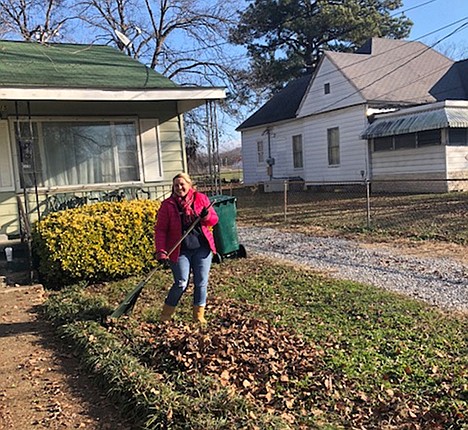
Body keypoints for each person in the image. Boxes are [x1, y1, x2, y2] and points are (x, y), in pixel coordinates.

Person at [155, 172, 219, 323]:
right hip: (179, 250)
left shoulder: (201, 199)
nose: (179, 188)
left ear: (189, 185)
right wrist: (160, 251)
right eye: (176, 185)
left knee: (201, 282)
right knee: (181, 282)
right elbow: (160, 229)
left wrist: (205, 216)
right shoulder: (168, 205)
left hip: (201, 249)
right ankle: (166, 315)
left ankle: (198, 316)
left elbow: (214, 220)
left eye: (182, 184)